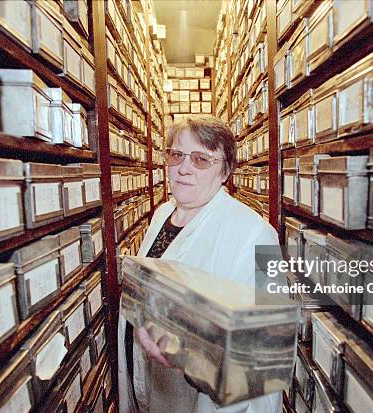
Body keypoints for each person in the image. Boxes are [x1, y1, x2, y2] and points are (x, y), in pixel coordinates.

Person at [118, 115, 281, 413]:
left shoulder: (259, 235)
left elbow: (264, 365)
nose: (184, 168)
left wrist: (195, 354)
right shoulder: (162, 215)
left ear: (225, 171)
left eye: (201, 159)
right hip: (151, 392)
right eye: (176, 155)